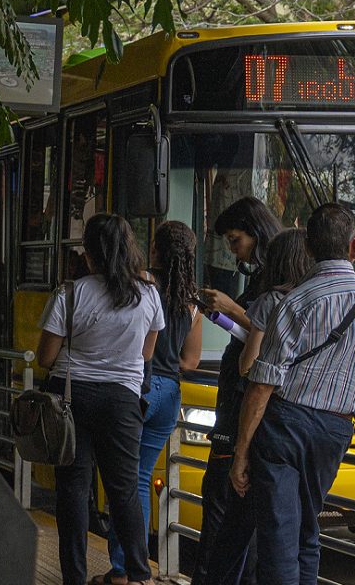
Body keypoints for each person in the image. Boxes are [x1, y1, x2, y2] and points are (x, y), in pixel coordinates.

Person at [230, 203, 355, 584]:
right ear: (354, 247)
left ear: (307, 247)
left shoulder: (295, 301)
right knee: (308, 532)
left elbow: (262, 383)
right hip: (334, 431)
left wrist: (240, 451)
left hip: (283, 428)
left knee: (279, 537)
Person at [36, 213, 163, 585]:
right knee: (123, 488)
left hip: (70, 398)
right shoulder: (149, 295)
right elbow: (145, 354)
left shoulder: (70, 293)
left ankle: (74, 576)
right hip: (122, 400)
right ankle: (139, 572)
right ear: (129, 250)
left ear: (88, 253)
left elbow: (45, 357)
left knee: (73, 490)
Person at [198, 228, 314, 585]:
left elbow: (248, 369)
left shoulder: (269, 301)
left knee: (236, 523)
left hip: (263, 423)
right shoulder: (316, 299)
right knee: (297, 531)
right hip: (305, 423)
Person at [97, 221, 204, 585]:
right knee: (139, 479)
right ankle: (129, 568)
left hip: (138, 389)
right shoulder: (192, 301)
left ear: (155, 249)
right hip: (170, 395)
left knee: (122, 483)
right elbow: (190, 361)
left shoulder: (142, 283)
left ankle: (123, 570)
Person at [192, 196, 282, 585]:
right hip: (237, 395)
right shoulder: (263, 275)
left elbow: (270, 332)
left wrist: (229, 306)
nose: (233, 250)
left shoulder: (277, 279)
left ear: (256, 234)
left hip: (243, 398)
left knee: (221, 497)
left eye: (235, 239)